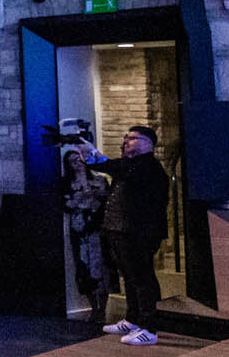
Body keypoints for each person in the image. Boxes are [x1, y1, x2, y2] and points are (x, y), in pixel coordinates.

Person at [85, 125, 170, 345]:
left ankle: (149, 328)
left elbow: (118, 168)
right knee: (129, 276)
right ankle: (132, 319)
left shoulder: (148, 166)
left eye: (132, 138)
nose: (125, 141)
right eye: (125, 137)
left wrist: (96, 156)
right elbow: (115, 168)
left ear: (148, 143)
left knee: (142, 277)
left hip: (138, 232)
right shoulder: (129, 165)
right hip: (120, 230)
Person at [57, 120, 111, 322]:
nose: (77, 164)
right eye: (72, 162)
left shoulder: (99, 180)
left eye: (79, 160)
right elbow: (66, 205)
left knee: (102, 266)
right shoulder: (66, 184)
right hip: (80, 228)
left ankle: (103, 307)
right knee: (84, 265)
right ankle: (94, 307)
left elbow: (107, 200)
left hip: (98, 225)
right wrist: (79, 199)